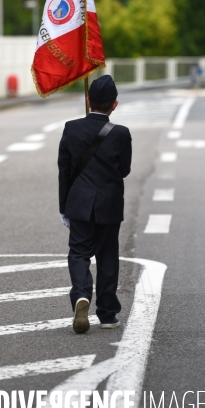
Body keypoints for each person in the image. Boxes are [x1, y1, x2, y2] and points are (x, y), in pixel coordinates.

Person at [58, 75, 132, 334]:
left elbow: (64, 170)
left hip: (79, 203)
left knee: (79, 253)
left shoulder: (71, 128)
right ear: (115, 104)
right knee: (108, 256)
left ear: (88, 101)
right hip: (109, 204)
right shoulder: (121, 133)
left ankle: (81, 295)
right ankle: (108, 314)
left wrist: (63, 206)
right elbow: (124, 170)